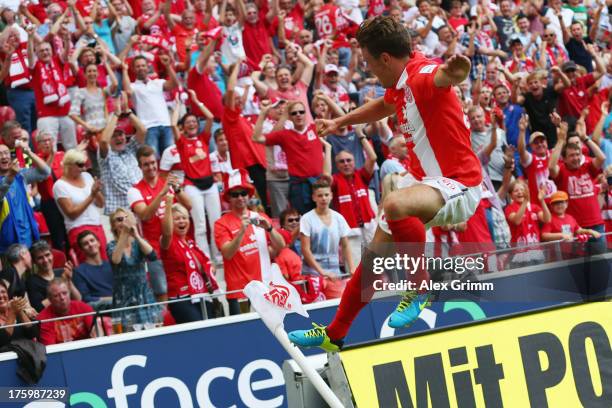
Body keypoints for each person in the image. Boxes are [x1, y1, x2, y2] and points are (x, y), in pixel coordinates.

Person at [289, 16, 483, 352]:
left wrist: (458, 70)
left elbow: (445, 77)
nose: (367, 70)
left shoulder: (423, 75)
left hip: (460, 185)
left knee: (393, 202)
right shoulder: (402, 83)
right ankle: (334, 333)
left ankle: (420, 288)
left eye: (367, 62)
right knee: (374, 261)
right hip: (429, 185)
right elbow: (384, 104)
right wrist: (340, 121)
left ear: (385, 59)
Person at [214, 169, 285, 315]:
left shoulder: (260, 217)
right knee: (241, 335)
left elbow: (280, 246)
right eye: (235, 194)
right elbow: (227, 254)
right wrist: (241, 231)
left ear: (249, 195)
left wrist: (270, 228)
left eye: (243, 193)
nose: (240, 198)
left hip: (265, 287)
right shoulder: (221, 223)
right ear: (228, 198)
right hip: (239, 292)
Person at [128, 145, 192, 302]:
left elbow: (189, 206)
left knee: (187, 289)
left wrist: (177, 189)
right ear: (139, 166)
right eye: (146, 164)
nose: (150, 167)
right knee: (163, 293)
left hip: (178, 247)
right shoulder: (134, 190)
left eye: (152, 163)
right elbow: (145, 215)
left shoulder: (168, 183)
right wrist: (162, 193)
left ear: (156, 162)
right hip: (155, 251)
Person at [170, 98, 221, 262]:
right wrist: (178, 106)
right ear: (183, 127)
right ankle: (205, 257)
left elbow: (211, 117)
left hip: (210, 184)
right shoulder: (182, 142)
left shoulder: (204, 138)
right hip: (192, 185)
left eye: (194, 121)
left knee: (216, 222)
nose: (192, 124)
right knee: (199, 224)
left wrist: (196, 102)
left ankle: (218, 256)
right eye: (188, 122)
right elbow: (172, 125)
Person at [254, 100, 323, 214]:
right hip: (298, 187)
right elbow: (256, 138)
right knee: (302, 222)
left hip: (319, 184)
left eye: (301, 112)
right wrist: (263, 113)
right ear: (289, 117)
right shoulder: (284, 135)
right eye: (294, 113)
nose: (298, 115)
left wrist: (326, 99)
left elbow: (342, 121)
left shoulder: (316, 128)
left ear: (306, 113)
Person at [321, 127, 377, 266]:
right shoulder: (336, 181)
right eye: (341, 161)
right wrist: (328, 148)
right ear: (337, 165)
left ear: (354, 161)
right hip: (350, 232)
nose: (346, 163)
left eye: (348, 160)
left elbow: (373, 157)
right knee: (356, 269)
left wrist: (361, 137)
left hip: (369, 228)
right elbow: (326, 176)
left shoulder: (361, 175)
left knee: (378, 266)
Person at [161, 197, 219, 323]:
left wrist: (210, 269)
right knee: (198, 333)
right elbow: (166, 233)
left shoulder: (191, 243)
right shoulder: (168, 242)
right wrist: (168, 204)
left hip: (202, 295)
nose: (181, 221)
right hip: (182, 298)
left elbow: (208, 264)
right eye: (176, 219)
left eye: (184, 218)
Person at [107, 208, 162, 331]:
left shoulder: (138, 243)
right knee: (127, 335)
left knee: (152, 332)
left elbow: (153, 256)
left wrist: (136, 235)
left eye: (126, 219)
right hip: (123, 297)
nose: (124, 222)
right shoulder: (111, 245)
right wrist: (125, 234)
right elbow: (116, 260)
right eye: (119, 220)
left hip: (143, 295)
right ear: (113, 225)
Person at [300, 178, 354, 299]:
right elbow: (305, 250)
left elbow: (345, 245)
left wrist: (352, 268)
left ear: (331, 196)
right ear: (314, 197)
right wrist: (322, 272)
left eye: (326, 195)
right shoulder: (307, 219)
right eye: (320, 195)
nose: (323, 198)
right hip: (312, 275)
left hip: (335, 273)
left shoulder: (338, 217)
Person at [53, 149, 107, 263]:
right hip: (78, 228)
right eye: (80, 165)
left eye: (85, 165)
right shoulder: (59, 185)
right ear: (69, 165)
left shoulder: (87, 176)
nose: (83, 168)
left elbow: (101, 204)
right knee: (88, 263)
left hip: (96, 225)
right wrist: (92, 195)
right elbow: (72, 213)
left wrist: (96, 191)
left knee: (105, 261)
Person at [97, 99, 146, 215]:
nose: (119, 138)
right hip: (119, 211)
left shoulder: (131, 148)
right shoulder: (106, 154)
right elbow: (103, 141)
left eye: (121, 135)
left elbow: (143, 131)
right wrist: (116, 114)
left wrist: (128, 112)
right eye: (114, 136)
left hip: (139, 204)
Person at [122, 54, 177, 156]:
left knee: (171, 159)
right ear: (133, 69)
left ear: (148, 67)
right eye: (138, 66)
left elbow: (173, 84)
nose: (141, 68)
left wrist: (168, 66)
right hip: (148, 128)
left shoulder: (158, 82)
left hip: (165, 124)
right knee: (152, 159)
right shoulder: (133, 86)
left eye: (143, 65)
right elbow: (127, 91)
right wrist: (125, 70)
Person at [0, 142, 51, 252]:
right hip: (8, 244)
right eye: (0, 154)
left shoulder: (21, 175)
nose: (3, 156)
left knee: (33, 268)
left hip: (29, 237)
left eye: (6, 153)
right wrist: (10, 175)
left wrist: (29, 153)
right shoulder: (13, 175)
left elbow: (45, 172)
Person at [37, 278, 95, 345]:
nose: (62, 298)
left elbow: (96, 336)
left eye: (64, 293)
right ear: (50, 300)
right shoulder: (43, 318)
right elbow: (50, 349)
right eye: (56, 296)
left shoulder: (84, 308)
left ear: (69, 293)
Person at [27, 240, 81, 312]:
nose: (45, 260)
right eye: (40, 258)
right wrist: (62, 281)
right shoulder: (32, 281)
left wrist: (68, 281)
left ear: (52, 255)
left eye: (47, 255)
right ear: (34, 262)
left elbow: (78, 299)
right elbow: (39, 308)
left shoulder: (63, 272)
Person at [73, 230, 113, 309]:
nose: (90, 244)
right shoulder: (79, 271)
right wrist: (112, 299)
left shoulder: (111, 265)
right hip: (99, 308)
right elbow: (85, 298)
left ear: (98, 243)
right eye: (85, 244)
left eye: (92, 240)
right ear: (82, 250)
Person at [505, 180, 551, 245]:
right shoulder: (509, 208)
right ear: (510, 195)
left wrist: (542, 201)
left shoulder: (534, 207)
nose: (520, 192)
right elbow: (517, 221)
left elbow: (547, 219)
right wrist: (525, 201)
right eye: (516, 191)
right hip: (519, 250)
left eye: (522, 190)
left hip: (536, 248)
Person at [0, 280, 38, 347]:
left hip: (26, 354)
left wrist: (20, 311)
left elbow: (33, 333)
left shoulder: (16, 310)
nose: (1, 296)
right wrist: (12, 312)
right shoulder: (13, 311)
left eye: (3, 292)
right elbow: (2, 341)